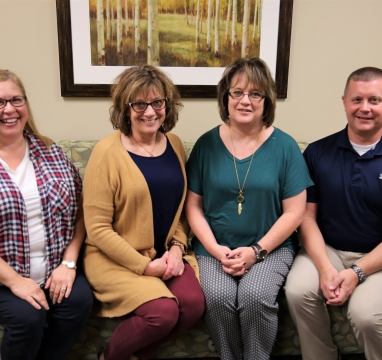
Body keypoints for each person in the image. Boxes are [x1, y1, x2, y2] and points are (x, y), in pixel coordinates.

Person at [185, 58, 313, 360]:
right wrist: (217, 250)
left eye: (255, 93)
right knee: (218, 297)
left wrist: (256, 251)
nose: (245, 100)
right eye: (237, 92)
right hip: (214, 248)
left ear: (266, 100)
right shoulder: (205, 145)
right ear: (225, 97)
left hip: (271, 247)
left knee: (254, 296)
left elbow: (295, 211)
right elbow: (193, 207)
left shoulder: (285, 147)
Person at [82, 65, 205, 360]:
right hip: (115, 258)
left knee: (193, 304)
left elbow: (182, 210)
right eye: (139, 103)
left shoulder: (174, 144)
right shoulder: (106, 152)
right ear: (125, 108)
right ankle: (108, 357)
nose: (149, 112)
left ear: (167, 105)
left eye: (157, 102)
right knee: (162, 312)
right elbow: (97, 228)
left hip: (165, 255)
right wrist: (144, 266)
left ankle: (134, 356)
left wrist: (177, 249)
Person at [285, 67, 382, 360]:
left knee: (367, 316)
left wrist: (357, 272)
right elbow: (306, 217)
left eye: (374, 100)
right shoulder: (317, 152)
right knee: (298, 291)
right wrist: (326, 269)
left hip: (377, 258)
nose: (364, 108)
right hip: (327, 249)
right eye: (357, 100)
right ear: (344, 102)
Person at [0, 69, 93, 360]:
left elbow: (81, 211)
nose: (9, 110)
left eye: (16, 99)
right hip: (5, 276)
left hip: (56, 266)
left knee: (78, 302)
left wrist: (69, 262)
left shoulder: (52, 152)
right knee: (28, 317)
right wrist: (15, 281)